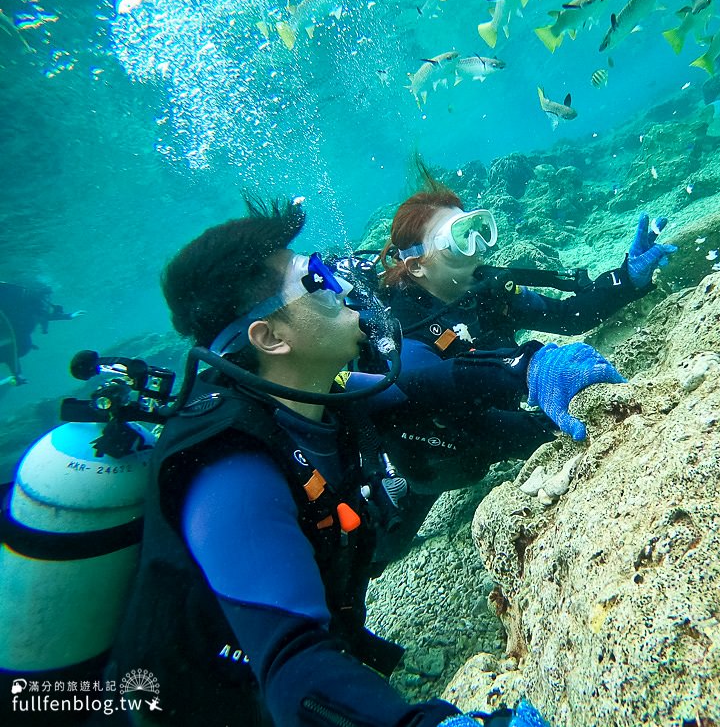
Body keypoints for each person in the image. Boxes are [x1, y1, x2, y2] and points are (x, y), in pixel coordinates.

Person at [107, 196, 622, 726]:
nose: (347, 287)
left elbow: (417, 383)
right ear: (270, 337)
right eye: (318, 281)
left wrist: (529, 367)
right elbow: (293, 668)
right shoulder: (233, 466)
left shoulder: (315, 396)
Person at [365, 162, 675, 558]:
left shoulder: (488, 292)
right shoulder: (401, 325)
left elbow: (568, 315)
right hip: (439, 447)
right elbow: (419, 378)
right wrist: (524, 368)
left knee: (564, 431)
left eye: (477, 230)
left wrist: (625, 280)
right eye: (460, 238)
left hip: (494, 419)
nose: (477, 246)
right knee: (386, 544)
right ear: (417, 264)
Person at [0, 280, 82, 385]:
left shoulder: (29, 303)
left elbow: (43, 315)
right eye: (46, 296)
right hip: (14, 339)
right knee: (18, 348)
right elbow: (43, 315)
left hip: (15, 339)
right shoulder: (25, 303)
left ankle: (17, 375)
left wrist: (68, 316)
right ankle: (17, 375)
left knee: (17, 348)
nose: (47, 300)